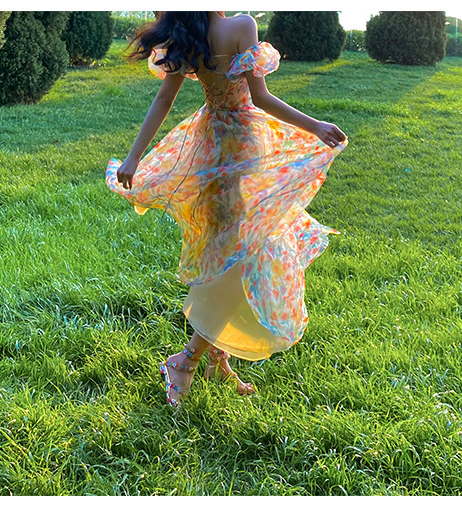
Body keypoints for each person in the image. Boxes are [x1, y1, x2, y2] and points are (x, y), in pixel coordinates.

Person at [105, 11, 347, 407]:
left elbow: (164, 99)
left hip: (208, 146)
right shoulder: (241, 26)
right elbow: (260, 97)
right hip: (242, 147)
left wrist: (135, 157)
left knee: (227, 251)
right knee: (242, 254)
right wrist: (315, 126)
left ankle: (217, 360)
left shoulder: (188, 34)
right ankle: (185, 361)